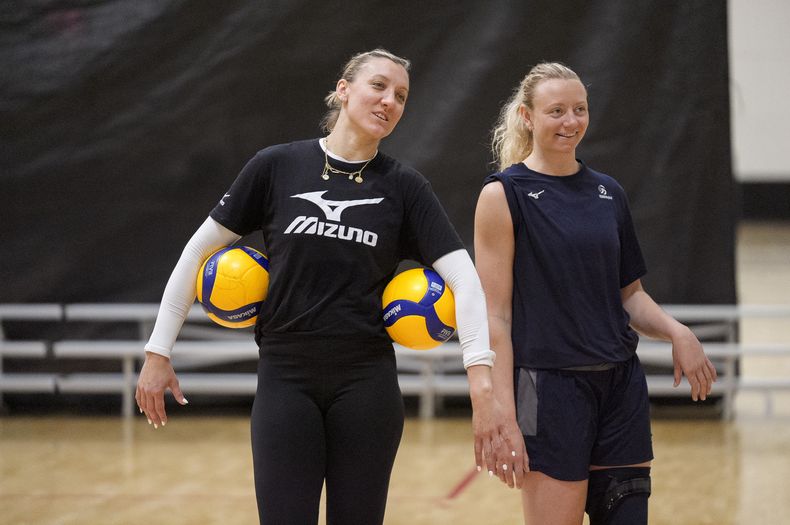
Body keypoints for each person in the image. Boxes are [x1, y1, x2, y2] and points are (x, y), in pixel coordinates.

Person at [135, 48, 506, 525]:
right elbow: (196, 251)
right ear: (343, 89)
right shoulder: (276, 167)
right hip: (285, 377)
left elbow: (465, 279)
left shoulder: (404, 187)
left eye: (401, 96)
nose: (389, 101)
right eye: (378, 86)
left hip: (366, 384)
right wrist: (158, 350)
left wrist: (480, 379)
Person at [473, 62, 718, 525]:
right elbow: (496, 317)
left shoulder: (608, 192)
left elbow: (630, 296)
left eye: (579, 110)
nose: (571, 122)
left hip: (621, 386)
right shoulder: (503, 195)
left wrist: (676, 331)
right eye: (556, 111)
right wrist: (500, 408)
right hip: (547, 389)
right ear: (527, 116)